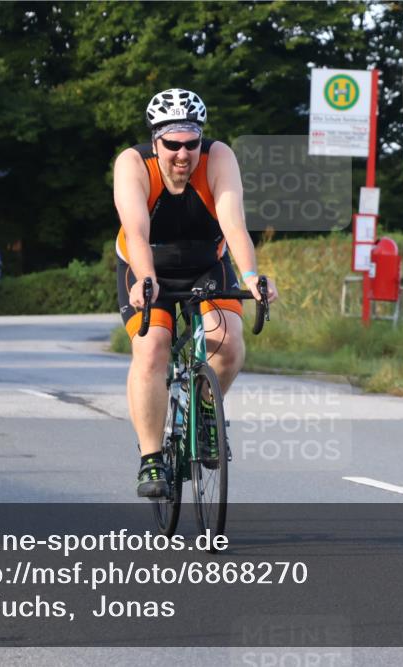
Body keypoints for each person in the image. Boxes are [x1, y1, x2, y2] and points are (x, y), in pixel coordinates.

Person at [114, 87, 279, 497]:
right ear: (156, 142)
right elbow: (135, 231)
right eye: (172, 145)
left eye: (191, 143)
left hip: (207, 263)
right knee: (152, 347)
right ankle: (151, 460)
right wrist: (146, 279)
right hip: (148, 266)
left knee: (229, 344)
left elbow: (234, 224)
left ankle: (205, 409)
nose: (183, 155)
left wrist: (253, 275)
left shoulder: (218, 157)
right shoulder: (133, 164)